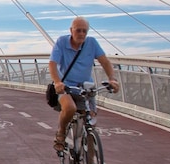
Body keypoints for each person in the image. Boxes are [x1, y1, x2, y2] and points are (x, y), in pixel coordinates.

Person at [48, 17, 120, 155]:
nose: (81, 34)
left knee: (91, 124)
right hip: (66, 87)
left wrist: (112, 79)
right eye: (78, 30)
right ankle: (61, 133)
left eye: (84, 31)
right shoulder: (62, 42)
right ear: (71, 30)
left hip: (85, 87)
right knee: (70, 108)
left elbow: (104, 62)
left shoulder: (91, 43)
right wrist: (57, 82)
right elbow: (52, 64)